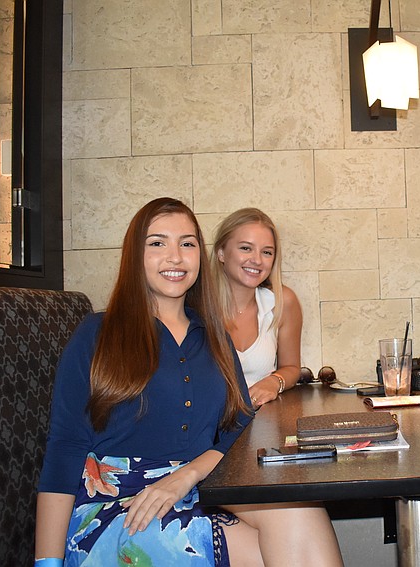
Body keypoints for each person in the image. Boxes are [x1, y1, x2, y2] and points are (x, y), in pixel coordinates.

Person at [35, 198, 343, 566]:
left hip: (198, 487)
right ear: (135, 254)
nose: (175, 257)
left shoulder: (212, 335)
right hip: (120, 505)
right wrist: (47, 562)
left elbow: (238, 418)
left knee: (301, 510)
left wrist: (189, 473)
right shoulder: (97, 333)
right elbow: (64, 448)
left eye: (187, 243)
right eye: (157, 243)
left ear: (200, 254)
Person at [213, 208, 302, 409]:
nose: (257, 260)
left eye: (267, 252)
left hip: (262, 427)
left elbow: (291, 367)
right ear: (221, 253)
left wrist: (274, 381)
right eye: (246, 248)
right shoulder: (196, 307)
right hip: (207, 432)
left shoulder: (282, 302)